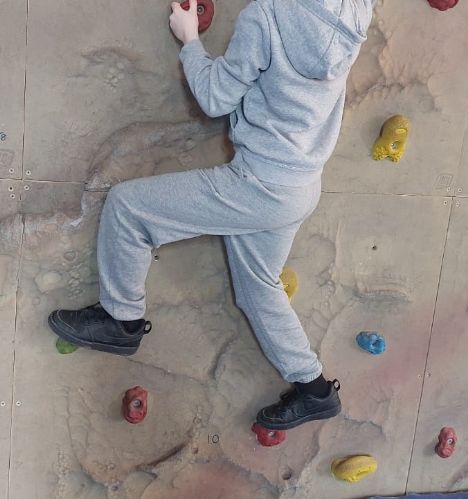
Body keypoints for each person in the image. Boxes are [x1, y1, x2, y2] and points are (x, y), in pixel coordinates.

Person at [48, 0, 374, 430]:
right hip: (302, 183)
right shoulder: (358, 11)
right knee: (259, 291)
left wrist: (189, 39)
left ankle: (119, 320)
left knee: (129, 208)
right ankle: (314, 390)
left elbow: (215, 98)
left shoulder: (268, 16)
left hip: (258, 183)